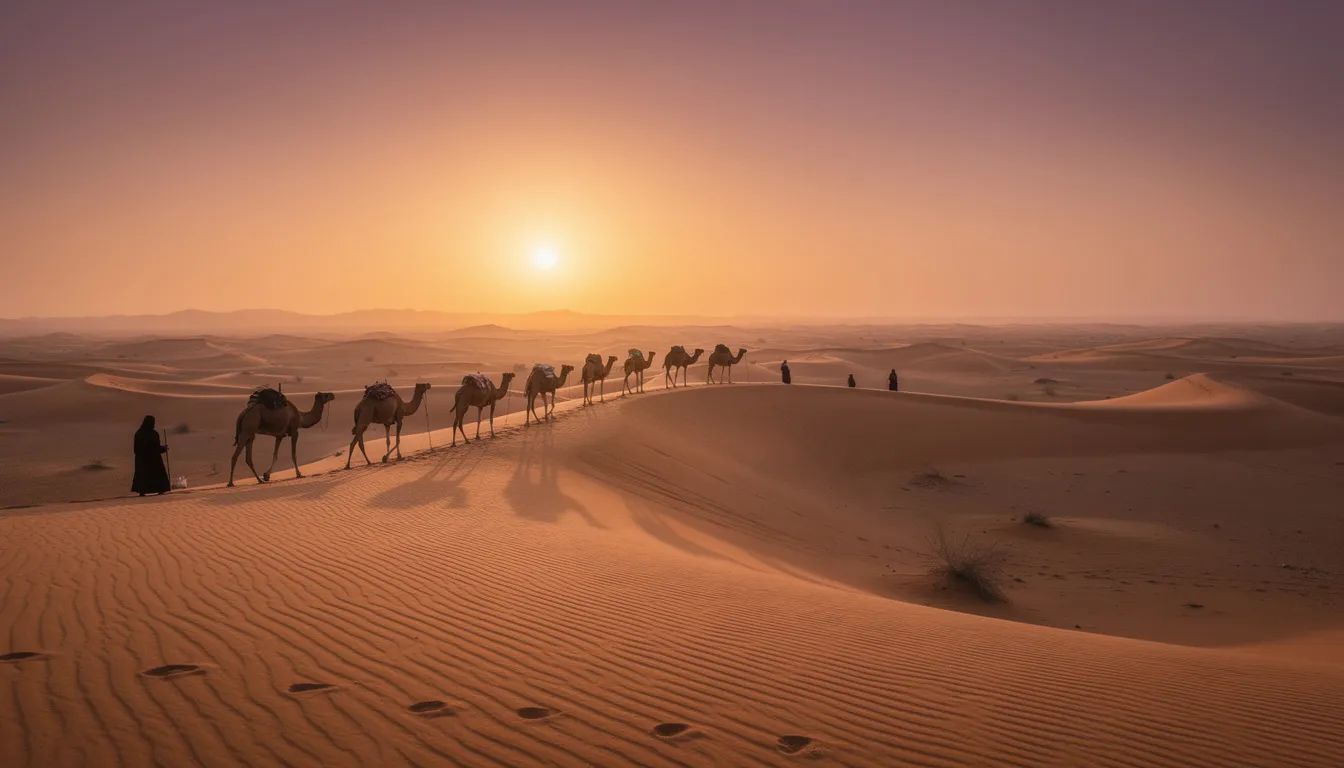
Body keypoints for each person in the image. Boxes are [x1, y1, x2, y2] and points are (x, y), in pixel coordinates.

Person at [132, 415, 171, 496]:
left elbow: (135, 449)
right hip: (154, 460)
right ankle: (160, 490)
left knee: (142, 475)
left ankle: (142, 492)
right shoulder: (153, 434)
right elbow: (156, 448)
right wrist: (164, 448)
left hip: (141, 460)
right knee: (157, 474)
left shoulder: (138, 433)